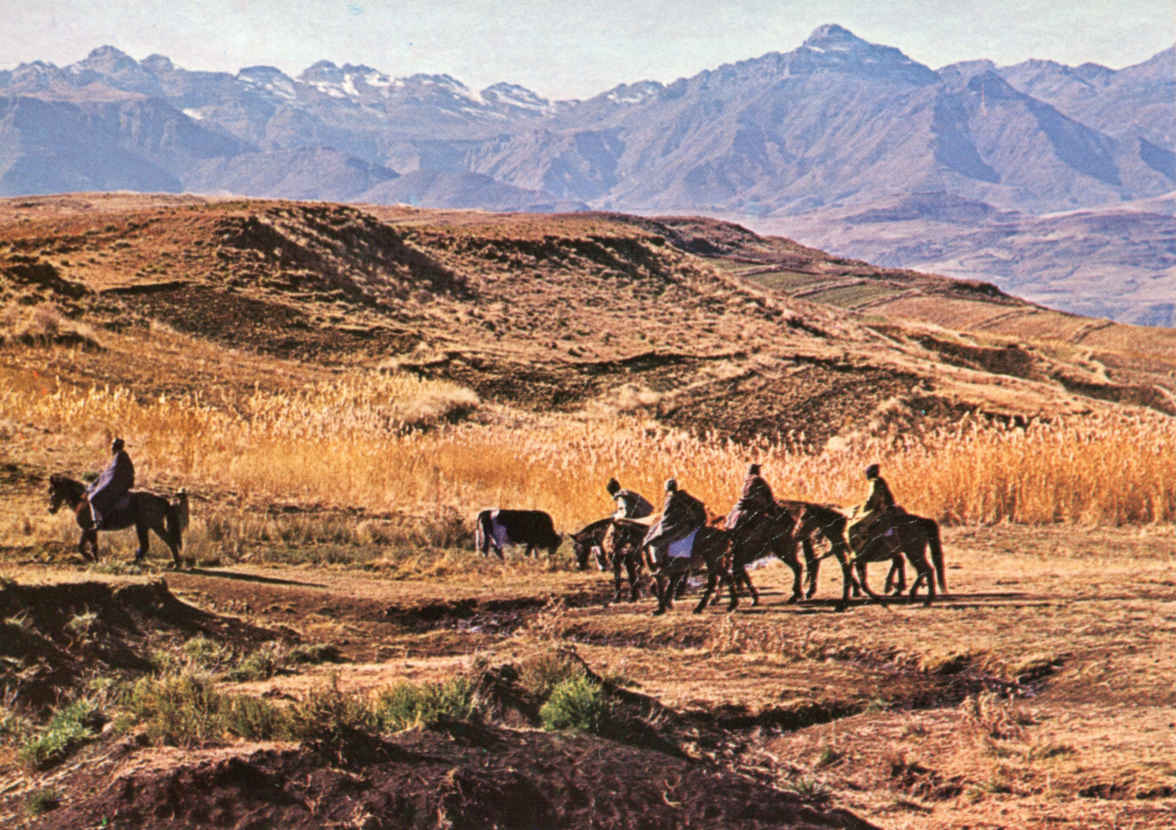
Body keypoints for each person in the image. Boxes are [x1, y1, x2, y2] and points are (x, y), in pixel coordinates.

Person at [641, 478, 707, 567]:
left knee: (654, 543)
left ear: (666, 489)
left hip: (677, 528)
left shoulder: (670, 498)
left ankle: (659, 566)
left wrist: (656, 530)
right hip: (690, 525)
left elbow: (667, 518)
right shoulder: (684, 496)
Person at [845, 463, 897, 556]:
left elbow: (872, 499)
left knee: (853, 527)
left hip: (880, 510)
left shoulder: (874, 482)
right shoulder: (880, 481)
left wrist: (864, 508)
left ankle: (857, 552)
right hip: (888, 507)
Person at [84, 438, 134, 529]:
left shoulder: (120, 456)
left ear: (116, 447)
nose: (111, 448)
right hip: (116, 483)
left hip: (118, 485)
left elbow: (114, 474)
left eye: (113, 446)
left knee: (93, 498)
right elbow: (109, 473)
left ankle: (98, 521)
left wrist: (105, 483)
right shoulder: (118, 456)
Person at [724, 462, 780, 533]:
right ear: (757, 471)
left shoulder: (746, 481)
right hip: (755, 507)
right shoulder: (759, 480)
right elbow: (768, 495)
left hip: (742, 506)